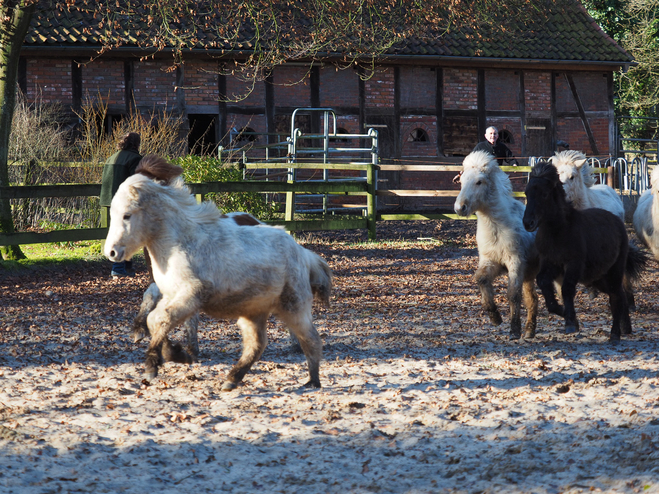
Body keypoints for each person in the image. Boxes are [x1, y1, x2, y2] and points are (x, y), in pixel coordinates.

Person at [99, 132, 142, 278]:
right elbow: (136, 182)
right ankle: (118, 268)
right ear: (136, 144)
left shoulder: (111, 157)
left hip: (109, 200)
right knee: (124, 233)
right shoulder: (135, 158)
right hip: (125, 202)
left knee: (123, 232)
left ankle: (128, 267)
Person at [453, 126, 518, 183]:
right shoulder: (480, 146)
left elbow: (510, 158)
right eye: (491, 134)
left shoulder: (502, 146)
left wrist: (514, 164)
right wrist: (461, 173)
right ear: (486, 136)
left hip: (497, 176)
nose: (493, 136)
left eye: (494, 134)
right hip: (483, 176)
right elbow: (470, 159)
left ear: (497, 136)